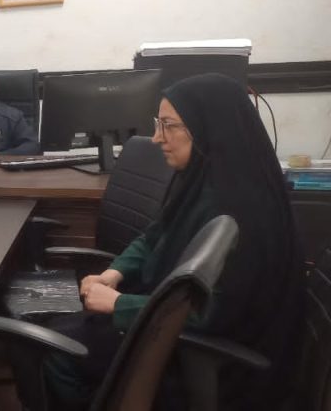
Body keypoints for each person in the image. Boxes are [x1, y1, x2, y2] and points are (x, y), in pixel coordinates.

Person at [44, 73, 303, 409]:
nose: (156, 138)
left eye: (168, 126)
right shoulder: (200, 179)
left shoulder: (242, 211)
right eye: (158, 124)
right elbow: (155, 236)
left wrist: (119, 304)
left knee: (56, 351)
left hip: (212, 363)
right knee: (58, 333)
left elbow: (214, 315)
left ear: (208, 128)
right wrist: (113, 273)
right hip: (171, 331)